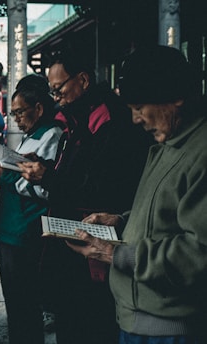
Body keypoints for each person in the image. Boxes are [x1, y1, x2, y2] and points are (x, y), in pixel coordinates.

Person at [67, 45, 207, 343]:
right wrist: (120, 221)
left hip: (171, 327)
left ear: (176, 98)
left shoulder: (200, 153)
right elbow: (166, 218)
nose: (135, 119)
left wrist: (116, 253)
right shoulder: (168, 144)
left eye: (139, 107)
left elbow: (198, 253)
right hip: (138, 317)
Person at [17, 49, 154, 344]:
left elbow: (105, 185)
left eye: (59, 89)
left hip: (96, 243)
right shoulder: (79, 116)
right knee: (71, 320)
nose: (56, 97)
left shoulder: (111, 119)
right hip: (75, 236)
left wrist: (49, 177)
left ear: (83, 80)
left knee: (90, 324)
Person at [0, 74, 62, 344]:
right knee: (14, 302)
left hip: (25, 231)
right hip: (10, 228)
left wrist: (3, 174)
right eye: (13, 113)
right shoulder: (32, 136)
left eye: (20, 112)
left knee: (23, 302)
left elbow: (41, 187)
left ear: (39, 108)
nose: (16, 119)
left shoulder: (52, 134)